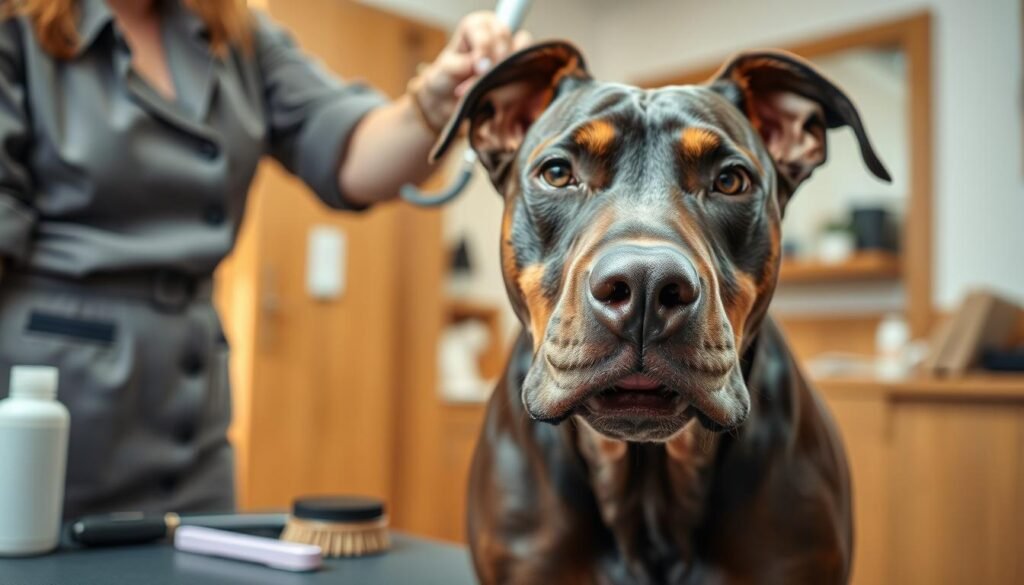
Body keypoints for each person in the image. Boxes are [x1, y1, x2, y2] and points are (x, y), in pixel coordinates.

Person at [0, 0, 529, 519]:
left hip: (190, 398)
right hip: (47, 403)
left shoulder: (235, 32)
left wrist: (437, 101)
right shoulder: (16, 24)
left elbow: (347, 147)